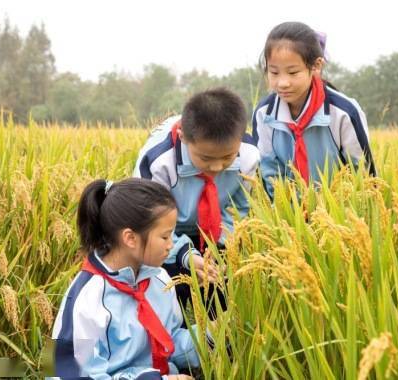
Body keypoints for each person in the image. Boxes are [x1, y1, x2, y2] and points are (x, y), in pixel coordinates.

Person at [51, 178, 199, 379]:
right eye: (165, 237)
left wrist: (209, 336)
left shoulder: (161, 279)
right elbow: (75, 373)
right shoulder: (89, 297)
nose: (171, 245)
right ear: (130, 238)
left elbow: (169, 342)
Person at [133, 87, 260, 311]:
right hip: (166, 233)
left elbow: (238, 209)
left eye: (227, 157)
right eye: (206, 158)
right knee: (170, 293)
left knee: (223, 290)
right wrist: (185, 255)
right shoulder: (158, 164)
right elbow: (150, 225)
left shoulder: (250, 156)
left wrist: (219, 250)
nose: (216, 167)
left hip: (214, 229)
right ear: (183, 138)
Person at [252, 21, 376, 200]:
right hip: (288, 214)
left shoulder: (343, 113)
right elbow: (268, 171)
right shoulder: (264, 114)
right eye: (274, 73)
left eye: (293, 72)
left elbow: (364, 175)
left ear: (316, 66)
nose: (282, 82)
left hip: (340, 212)